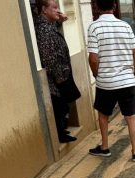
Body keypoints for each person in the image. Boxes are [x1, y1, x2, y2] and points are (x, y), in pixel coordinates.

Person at [87, 0, 135, 161]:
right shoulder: (125, 26)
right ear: (115, 6)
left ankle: (104, 148)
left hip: (106, 82)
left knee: (103, 115)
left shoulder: (94, 27)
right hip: (127, 81)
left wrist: (98, 75)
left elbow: (93, 59)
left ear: (96, 7)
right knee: (130, 116)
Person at [35, 0, 79, 144]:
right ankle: (60, 134)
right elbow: (48, 57)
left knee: (64, 104)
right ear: (44, 9)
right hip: (56, 78)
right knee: (60, 105)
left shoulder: (48, 25)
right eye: (54, 7)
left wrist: (60, 22)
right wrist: (59, 78)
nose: (58, 10)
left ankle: (62, 129)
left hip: (61, 74)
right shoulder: (43, 29)